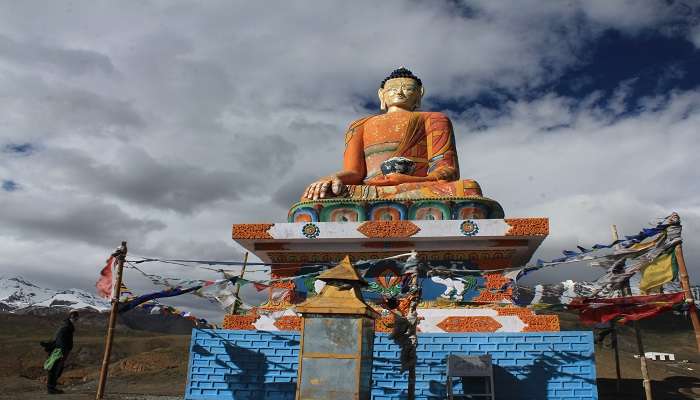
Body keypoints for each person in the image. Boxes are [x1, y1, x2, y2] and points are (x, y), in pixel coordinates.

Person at [302, 67, 483, 201]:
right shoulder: (360, 125)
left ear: (419, 94)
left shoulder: (435, 119)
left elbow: (448, 171)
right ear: (382, 94)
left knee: (468, 188)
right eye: (393, 88)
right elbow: (355, 172)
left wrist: (407, 179)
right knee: (317, 195)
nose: (400, 92)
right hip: (371, 189)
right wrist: (333, 178)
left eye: (408, 88)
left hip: (418, 186)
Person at [43, 310, 79, 394]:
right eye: (75, 317)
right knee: (55, 368)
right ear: (72, 317)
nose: (75, 319)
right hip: (59, 351)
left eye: (76, 317)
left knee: (57, 368)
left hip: (59, 350)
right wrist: (63, 350)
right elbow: (61, 340)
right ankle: (51, 388)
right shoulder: (66, 327)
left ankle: (52, 387)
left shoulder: (66, 326)